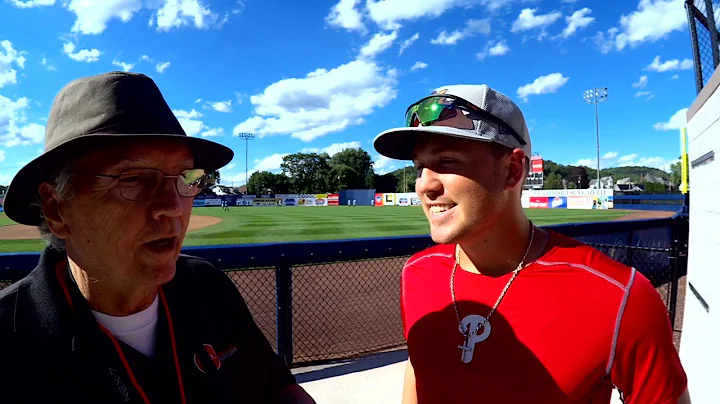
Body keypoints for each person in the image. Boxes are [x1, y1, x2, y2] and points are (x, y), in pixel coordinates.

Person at [0, 71, 315, 404]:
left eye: (185, 177)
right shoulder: (10, 340)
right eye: (132, 179)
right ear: (56, 208)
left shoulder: (206, 285)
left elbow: (278, 387)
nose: (172, 207)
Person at [373, 84, 690, 403]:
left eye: (448, 161)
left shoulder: (621, 298)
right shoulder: (417, 272)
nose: (425, 185)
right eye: (419, 167)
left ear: (512, 171)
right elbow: (419, 369)